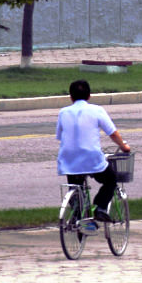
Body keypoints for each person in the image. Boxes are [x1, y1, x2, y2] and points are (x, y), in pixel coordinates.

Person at [56, 79, 131, 222]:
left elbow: (60, 136)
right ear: (89, 95)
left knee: (75, 187)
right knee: (111, 180)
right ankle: (100, 207)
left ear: (70, 97)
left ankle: (77, 218)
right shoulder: (97, 110)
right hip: (91, 158)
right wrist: (124, 146)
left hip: (68, 159)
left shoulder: (63, 112)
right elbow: (113, 133)